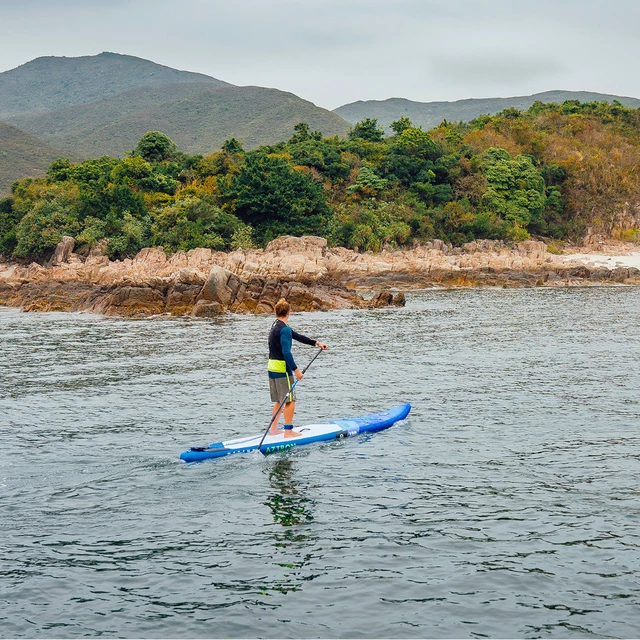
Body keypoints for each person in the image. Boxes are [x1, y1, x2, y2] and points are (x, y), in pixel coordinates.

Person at [268, 298, 327, 437]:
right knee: (290, 400)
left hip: (272, 367)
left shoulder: (276, 325)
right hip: (283, 370)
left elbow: (297, 336)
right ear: (289, 312)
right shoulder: (285, 329)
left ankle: (273, 430)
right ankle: (288, 431)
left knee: (280, 400)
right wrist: (296, 371)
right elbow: (286, 352)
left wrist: (316, 343)